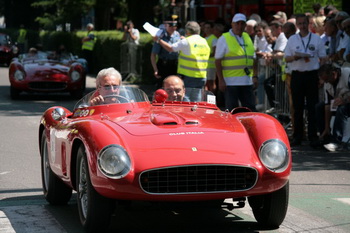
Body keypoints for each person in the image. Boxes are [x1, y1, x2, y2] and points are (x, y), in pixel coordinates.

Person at [284, 14, 327, 147]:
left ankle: (313, 136)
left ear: (309, 24)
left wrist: (321, 77)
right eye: (300, 23)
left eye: (304, 23)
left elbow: (323, 58)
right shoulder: (292, 39)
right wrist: (295, 57)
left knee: (312, 107)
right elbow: (286, 58)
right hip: (297, 75)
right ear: (297, 25)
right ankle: (297, 136)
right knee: (297, 107)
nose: (302, 26)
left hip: (312, 75)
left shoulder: (316, 38)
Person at [154, 21, 210, 101]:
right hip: (201, 76)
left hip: (187, 75)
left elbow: (170, 48)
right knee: (197, 100)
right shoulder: (204, 41)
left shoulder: (186, 41)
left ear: (187, 31)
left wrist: (158, 40)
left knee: (185, 99)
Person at [215, 13, 258, 112]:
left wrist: (255, 76)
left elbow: (254, 59)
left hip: (247, 82)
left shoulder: (247, 37)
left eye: (242, 23)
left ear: (245, 26)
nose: (239, 26)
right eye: (237, 23)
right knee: (232, 111)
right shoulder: (224, 38)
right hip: (230, 83)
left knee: (250, 110)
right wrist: (220, 80)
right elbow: (218, 61)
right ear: (232, 24)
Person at [317, 64, 350, 151]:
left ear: (334, 73)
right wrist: (327, 127)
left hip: (347, 102)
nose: (326, 82)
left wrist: (345, 100)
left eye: (327, 79)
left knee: (342, 109)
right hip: (340, 102)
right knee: (320, 107)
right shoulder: (327, 83)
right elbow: (328, 106)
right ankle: (326, 137)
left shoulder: (348, 74)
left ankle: (337, 141)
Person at [150, 19, 181, 88]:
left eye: (175, 25)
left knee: (174, 86)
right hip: (164, 65)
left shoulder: (178, 35)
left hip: (175, 65)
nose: (173, 27)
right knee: (162, 87)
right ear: (165, 25)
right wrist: (155, 69)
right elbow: (153, 54)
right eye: (170, 25)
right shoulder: (160, 36)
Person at [204, 21, 218, 93]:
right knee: (206, 83)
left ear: (212, 29)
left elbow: (215, 52)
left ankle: (213, 98)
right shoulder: (204, 38)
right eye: (205, 27)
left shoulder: (214, 38)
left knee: (211, 82)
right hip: (205, 64)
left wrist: (204, 56)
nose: (207, 29)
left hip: (211, 64)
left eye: (208, 28)